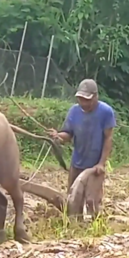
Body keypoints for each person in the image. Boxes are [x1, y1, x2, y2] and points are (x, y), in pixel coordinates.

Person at [47, 79, 116, 213]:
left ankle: (95, 229)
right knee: (73, 199)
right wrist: (58, 136)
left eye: (87, 100)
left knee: (91, 201)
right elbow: (68, 134)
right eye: (81, 99)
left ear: (95, 96)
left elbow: (108, 138)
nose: (84, 103)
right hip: (77, 162)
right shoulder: (74, 111)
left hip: (95, 165)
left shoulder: (106, 112)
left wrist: (101, 163)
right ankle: (74, 226)